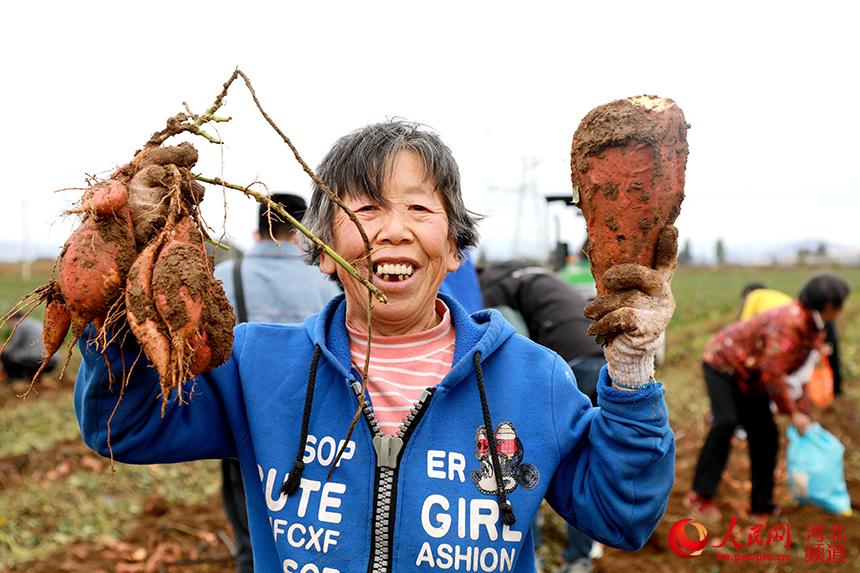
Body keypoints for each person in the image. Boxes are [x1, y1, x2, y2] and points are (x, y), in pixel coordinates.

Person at [75, 120, 676, 572]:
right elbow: (123, 428)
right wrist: (116, 294)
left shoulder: (533, 379)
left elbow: (620, 514)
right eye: (363, 209)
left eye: (419, 206)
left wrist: (629, 374)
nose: (391, 229)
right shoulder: (255, 365)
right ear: (323, 250)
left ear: (455, 247)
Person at [213, 193, 341, 573]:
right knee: (311, 534)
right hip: (317, 433)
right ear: (303, 234)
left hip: (242, 426)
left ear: (256, 233)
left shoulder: (224, 278)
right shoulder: (326, 283)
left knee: (249, 534)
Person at [685, 274, 851, 522]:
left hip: (753, 375)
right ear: (828, 304)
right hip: (724, 364)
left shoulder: (814, 327)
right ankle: (700, 496)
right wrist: (792, 413)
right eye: (840, 303)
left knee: (766, 434)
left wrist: (802, 410)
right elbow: (774, 374)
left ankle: (761, 506)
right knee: (725, 422)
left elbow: (799, 371)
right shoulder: (790, 323)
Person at [479, 261, 605, 572]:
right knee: (582, 465)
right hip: (599, 359)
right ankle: (579, 558)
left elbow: (508, 342)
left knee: (522, 462)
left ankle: (528, 553)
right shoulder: (537, 275)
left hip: (567, 367)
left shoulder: (488, 289)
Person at [0, 312, 55, 381]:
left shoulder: (20, 325)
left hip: (38, 360)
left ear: (12, 319)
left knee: (5, 355)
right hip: (53, 360)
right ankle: (33, 378)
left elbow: (13, 347)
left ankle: (15, 379)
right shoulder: (35, 322)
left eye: (9, 323)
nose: (10, 326)